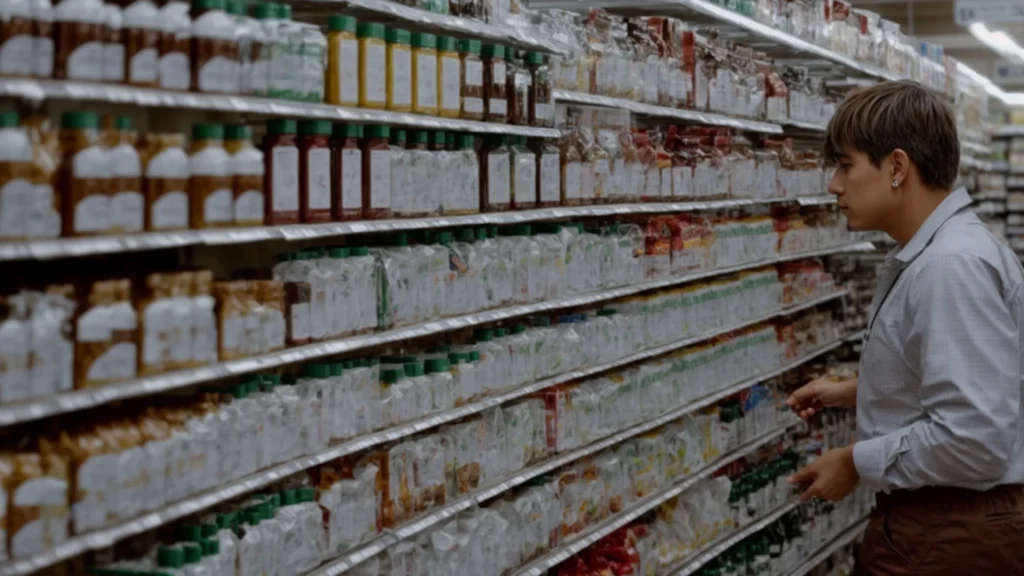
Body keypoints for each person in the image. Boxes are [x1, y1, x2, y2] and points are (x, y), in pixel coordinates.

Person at [785, 79, 1024, 575]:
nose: (834, 184)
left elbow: (973, 439)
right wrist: (862, 390)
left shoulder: (949, 267)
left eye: (846, 165)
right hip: (947, 525)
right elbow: (981, 382)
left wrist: (854, 461)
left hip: (948, 534)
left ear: (897, 167)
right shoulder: (941, 253)